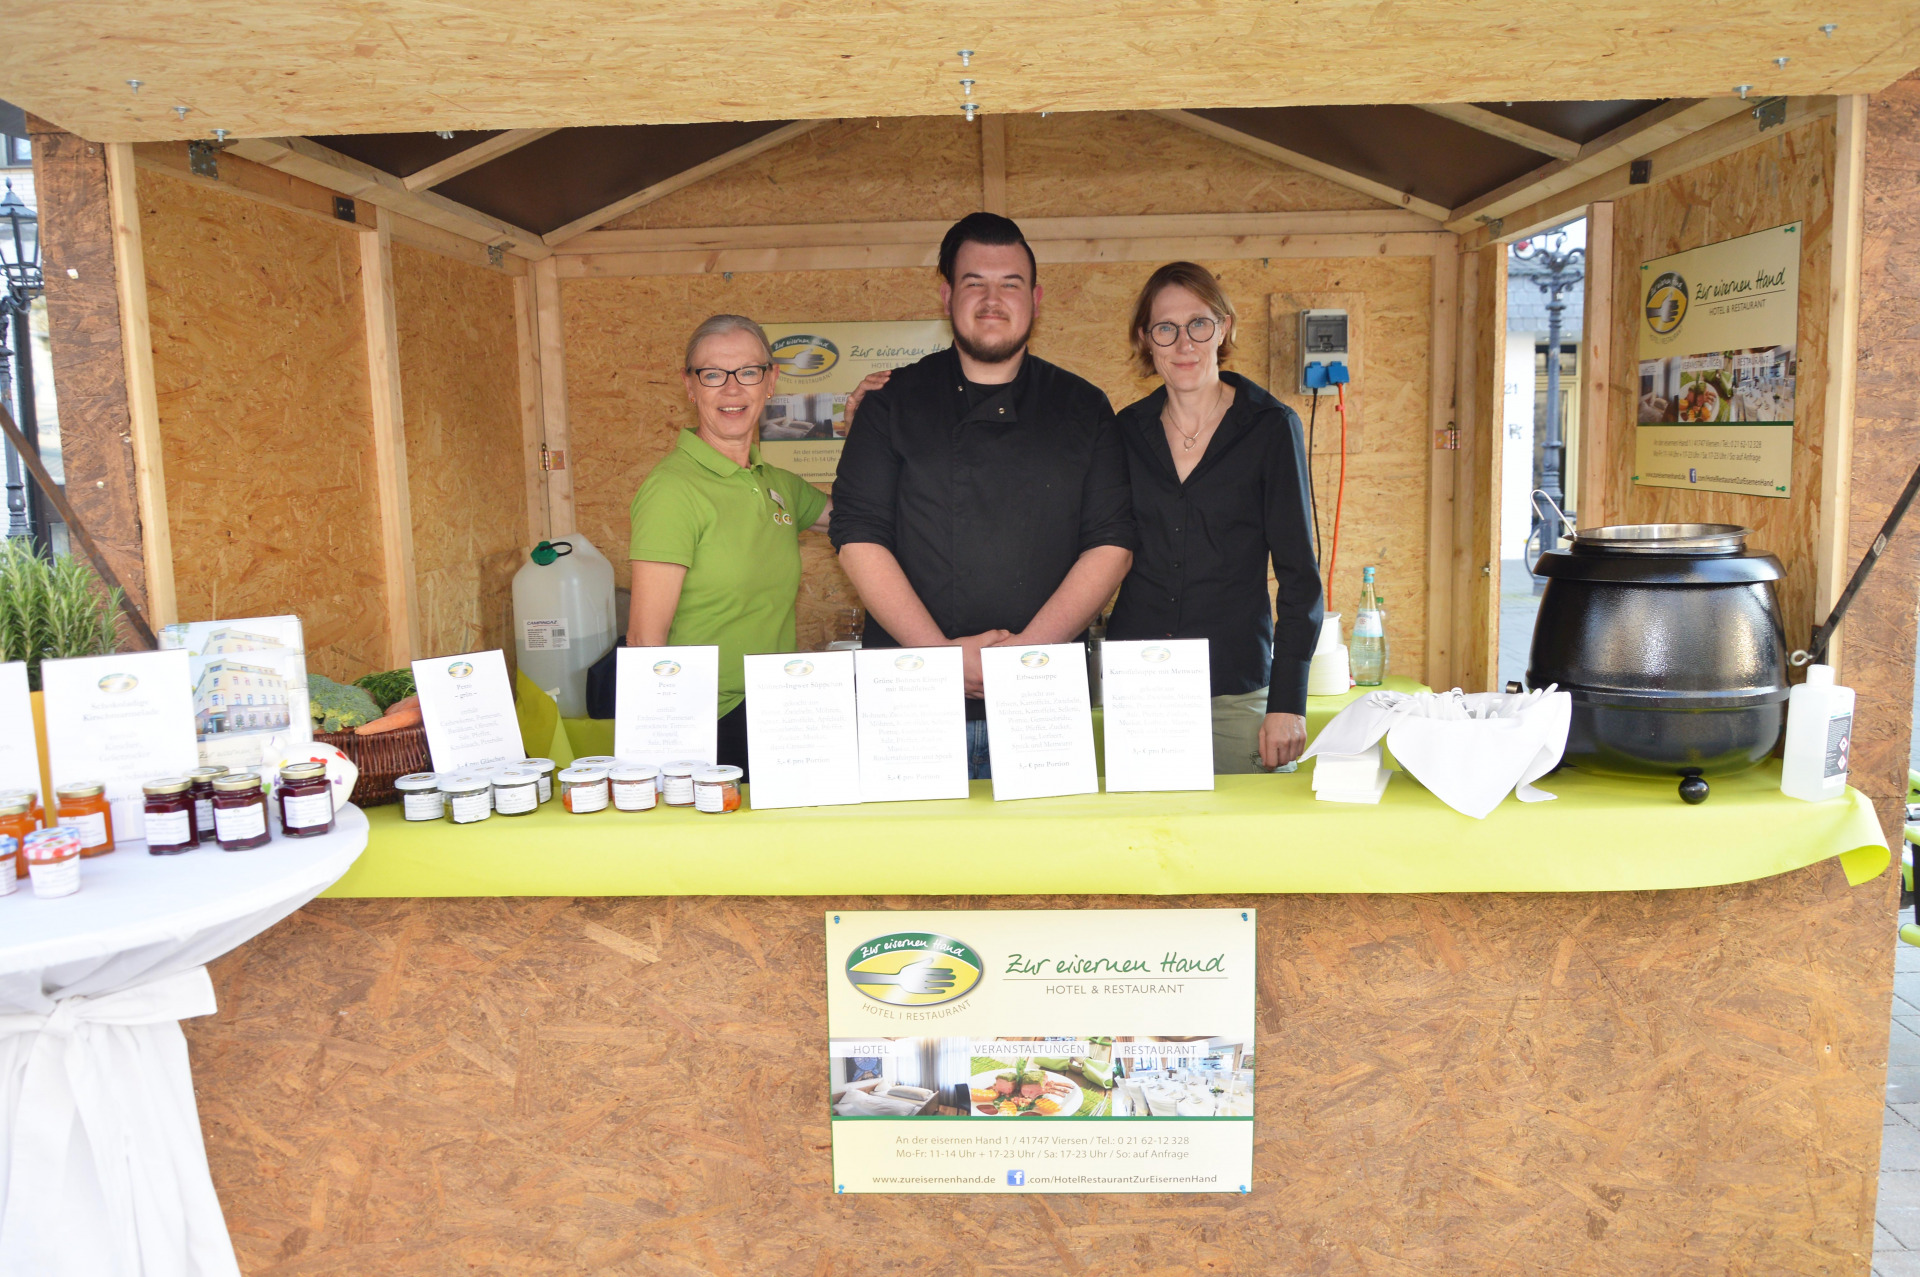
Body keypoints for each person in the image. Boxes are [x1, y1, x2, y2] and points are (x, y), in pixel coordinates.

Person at [830, 213, 1135, 778]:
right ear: (947, 296)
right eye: (975, 283)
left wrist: (1024, 657)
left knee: (1044, 838)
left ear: (1035, 300)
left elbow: (1111, 544)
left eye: (1010, 284)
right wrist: (941, 660)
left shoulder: (1083, 406)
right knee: (913, 837)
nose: (992, 300)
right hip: (909, 699)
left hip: (1040, 696)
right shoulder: (891, 403)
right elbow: (858, 537)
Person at [1106, 262, 1323, 773]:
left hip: (1235, 689)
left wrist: (1288, 702)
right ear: (1145, 339)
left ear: (1224, 328)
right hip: (1139, 688)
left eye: (1199, 324)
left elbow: (1299, 577)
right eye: (1166, 328)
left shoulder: (1270, 428)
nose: (1184, 343)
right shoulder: (1124, 432)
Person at [627, 314, 830, 776]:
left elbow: (862, 524)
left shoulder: (777, 484)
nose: (732, 389)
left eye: (748, 372)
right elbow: (644, 642)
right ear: (690, 386)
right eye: (713, 374)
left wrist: (869, 427)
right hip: (706, 727)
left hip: (773, 710)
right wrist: (663, 763)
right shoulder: (672, 490)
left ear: (771, 381)